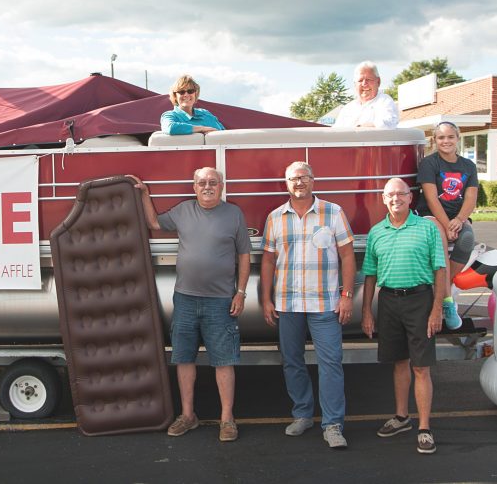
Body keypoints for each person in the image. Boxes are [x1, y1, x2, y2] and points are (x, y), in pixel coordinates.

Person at [132, 167, 250, 442]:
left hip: (221, 301)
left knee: (223, 360)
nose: (207, 186)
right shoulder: (183, 210)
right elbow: (155, 224)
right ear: (194, 187)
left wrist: (241, 292)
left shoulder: (234, 214)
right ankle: (188, 416)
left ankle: (227, 420)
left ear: (221, 185)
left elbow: (244, 254)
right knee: (183, 358)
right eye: (201, 183)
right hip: (185, 298)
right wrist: (145, 195)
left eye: (212, 182)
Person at [260, 162, 355, 449]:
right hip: (288, 304)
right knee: (292, 361)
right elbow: (267, 260)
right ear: (286, 184)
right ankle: (303, 414)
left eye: (303, 177)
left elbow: (348, 256)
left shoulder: (333, 212)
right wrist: (266, 299)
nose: (298, 183)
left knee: (330, 364)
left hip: (325, 303)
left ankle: (333, 424)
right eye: (292, 179)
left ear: (313, 180)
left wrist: (347, 295)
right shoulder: (275, 217)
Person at [361, 178, 445, 455]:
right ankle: (401, 417)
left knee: (421, 366)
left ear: (411, 198)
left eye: (400, 194)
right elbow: (370, 276)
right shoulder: (377, 232)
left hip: (420, 300)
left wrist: (437, 309)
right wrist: (366, 313)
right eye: (390, 195)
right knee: (398, 362)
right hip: (388, 301)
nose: (395, 198)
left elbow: (440, 270)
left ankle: (424, 428)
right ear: (383, 199)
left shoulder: (427, 229)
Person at [416, 121, 477, 330]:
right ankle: (449, 304)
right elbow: (432, 198)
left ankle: (441, 292)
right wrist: (447, 224)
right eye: (441, 137)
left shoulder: (468, 166)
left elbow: (471, 198)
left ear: (457, 139)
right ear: (435, 140)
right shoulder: (429, 163)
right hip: (431, 215)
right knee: (439, 238)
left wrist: (459, 220)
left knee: (467, 238)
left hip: (456, 217)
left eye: (450, 137)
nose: (446, 141)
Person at [333, 61, 398, 129]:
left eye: (369, 79)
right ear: (355, 84)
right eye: (360, 80)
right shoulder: (347, 108)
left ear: (378, 82)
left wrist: (361, 127)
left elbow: (389, 123)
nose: (364, 84)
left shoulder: (384, 101)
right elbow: (334, 132)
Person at [160, 75, 225, 135]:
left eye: (190, 91)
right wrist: (202, 129)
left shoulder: (205, 114)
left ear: (195, 94)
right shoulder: (170, 115)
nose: (186, 95)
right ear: (175, 96)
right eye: (181, 92)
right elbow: (170, 128)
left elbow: (222, 132)